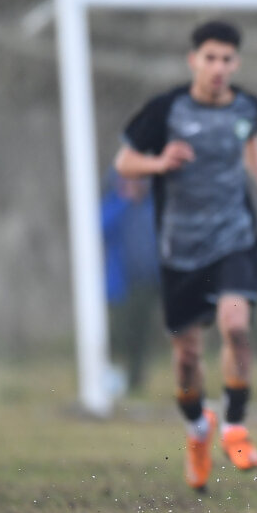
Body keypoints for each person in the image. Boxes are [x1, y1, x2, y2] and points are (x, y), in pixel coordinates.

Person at [114, 20, 257, 491]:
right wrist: (158, 162)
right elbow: (125, 161)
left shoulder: (246, 106)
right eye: (209, 58)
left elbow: (248, 141)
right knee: (188, 356)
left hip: (234, 239)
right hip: (180, 249)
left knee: (235, 326)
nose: (218, 67)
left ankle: (234, 426)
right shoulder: (167, 109)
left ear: (236, 63)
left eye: (226, 59)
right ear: (194, 60)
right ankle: (198, 429)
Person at [100, 168, 160, 393]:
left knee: (140, 335)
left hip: (147, 282)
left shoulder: (153, 205)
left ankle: (135, 382)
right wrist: (124, 200)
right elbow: (99, 227)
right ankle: (111, 379)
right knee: (117, 334)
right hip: (120, 285)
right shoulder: (115, 204)